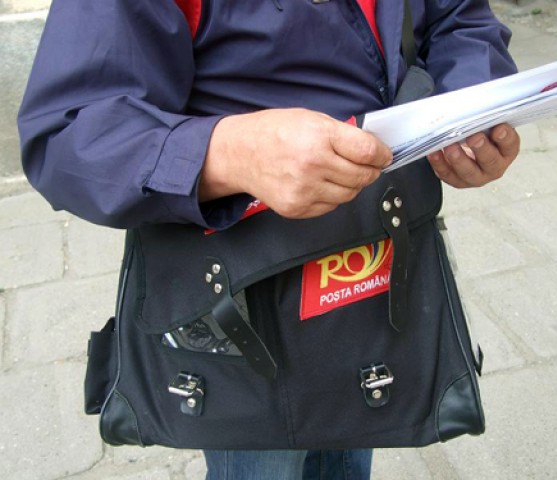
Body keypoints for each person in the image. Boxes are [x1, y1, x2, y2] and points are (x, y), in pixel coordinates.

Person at [18, 0, 520, 478]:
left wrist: (471, 108)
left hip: (373, 267)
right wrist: (228, 153)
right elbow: (70, 133)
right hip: (240, 292)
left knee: (357, 441)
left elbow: (458, 20)